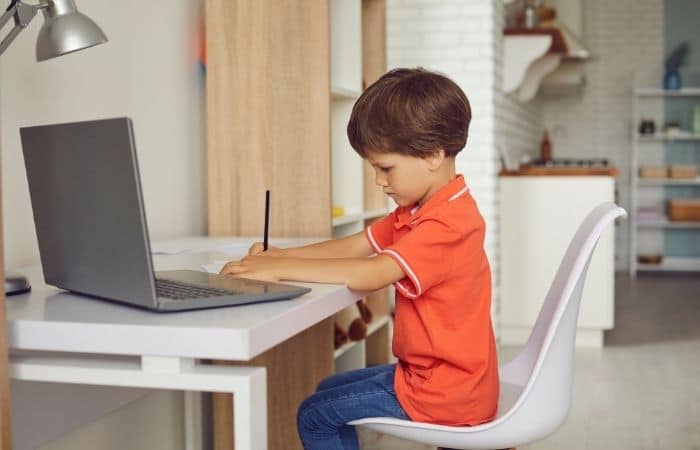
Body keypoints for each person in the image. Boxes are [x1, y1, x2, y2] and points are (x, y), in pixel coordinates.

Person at [220, 67, 499, 450]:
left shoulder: (449, 224)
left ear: (433, 155)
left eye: (386, 168)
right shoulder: (420, 209)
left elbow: (372, 272)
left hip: (445, 391)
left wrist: (280, 268)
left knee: (314, 416)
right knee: (327, 389)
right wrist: (280, 254)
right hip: (438, 377)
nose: (379, 181)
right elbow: (358, 244)